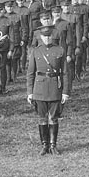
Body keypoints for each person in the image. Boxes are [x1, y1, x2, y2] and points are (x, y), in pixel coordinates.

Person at [27, 22, 73, 154]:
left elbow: (65, 73)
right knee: (42, 118)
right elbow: (30, 73)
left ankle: (53, 145)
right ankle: (44, 145)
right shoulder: (35, 51)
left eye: (49, 36)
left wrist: (65, 92)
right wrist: (30, 92)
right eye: (44, 36)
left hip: (54, 87)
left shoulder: (60, 50)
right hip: (39, 88)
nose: (47, 39)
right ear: (40, 37)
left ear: (52, 36)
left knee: (53, 118)